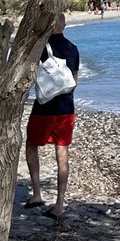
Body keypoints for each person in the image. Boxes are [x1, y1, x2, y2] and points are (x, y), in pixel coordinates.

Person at [25, 12, 80, 221]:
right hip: (66, 108)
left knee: (31, 145)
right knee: (62, 152)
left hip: (44, 107)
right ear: (64, 25)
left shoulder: (40, 47)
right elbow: (74, 80)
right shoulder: (73, 49)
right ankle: (59, 204)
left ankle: (37, 194)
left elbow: (31, 75)